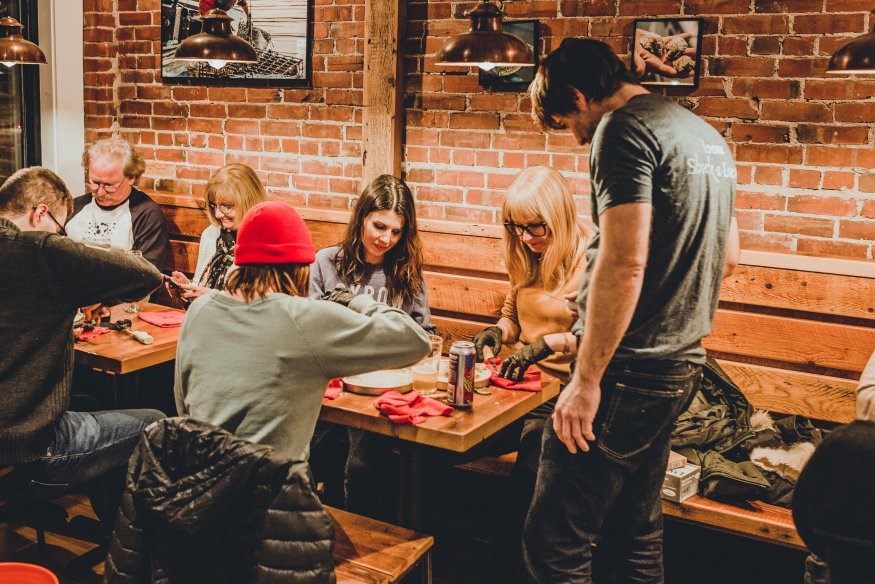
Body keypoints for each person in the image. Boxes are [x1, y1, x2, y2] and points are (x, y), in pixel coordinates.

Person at [522, 38, 739, 583]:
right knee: (635, 532)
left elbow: (625, 262)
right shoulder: (703, 134)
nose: (575, 136)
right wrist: (602, 293)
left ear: (578, 93)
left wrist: (588, 379)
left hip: (627, 370)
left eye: (566, 119)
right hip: (682, 364)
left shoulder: (621, 130)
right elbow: (728, 255)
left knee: (555, 540)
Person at [174, 200, 430, 462]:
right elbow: (416, 341)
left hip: (196, 479)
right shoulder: (306, 318)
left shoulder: (199, 309)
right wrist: (355, 300)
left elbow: (183, 404)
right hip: (272, 490)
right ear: (300, 267)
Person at [0, 166, 166, 519]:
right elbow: (146, 274)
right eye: (61, 230)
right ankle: (126, 547)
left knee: (89, 401)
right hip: (24, 449)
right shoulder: (40, 251)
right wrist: (85, 280)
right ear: (39, 213)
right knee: (154, 422)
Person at [471, 165, 588, 584]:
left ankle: (511, 571)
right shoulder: (526, 254)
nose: (525, 237)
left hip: (565, 397)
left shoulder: (590, 259)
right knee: (448, 439)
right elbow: (512, 319)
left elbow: (596, 338)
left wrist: (548, 346)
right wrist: (495, 334)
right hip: (518, 388)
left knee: (532, 462)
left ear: (557, 215)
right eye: (515, 227)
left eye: (534, 226)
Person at [309, 173, 433, 518]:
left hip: (382, 391)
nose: (386, 238)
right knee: (302, 453)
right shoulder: (326, 263)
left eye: (396, 232)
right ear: (361, 216)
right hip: (332, 386)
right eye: (379, 226)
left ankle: (365, 553)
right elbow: (308, 328)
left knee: (361, 467)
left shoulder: (407, 272)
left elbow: (423, 336)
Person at [65, 136, 170, 271]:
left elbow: (147, 276)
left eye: (110, 185)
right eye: (95, 183)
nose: (101, 192)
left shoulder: (147, 215)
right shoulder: (75, 207)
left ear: (132, 177)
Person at [167, 162, 268, 301]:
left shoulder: (266, 241)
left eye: (226, 206)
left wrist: (211, 296)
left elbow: (262, 304)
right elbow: (201, 286)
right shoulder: (211, 234)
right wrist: (187, 287)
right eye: (214, 206)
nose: (218, 214)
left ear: (247, 202)